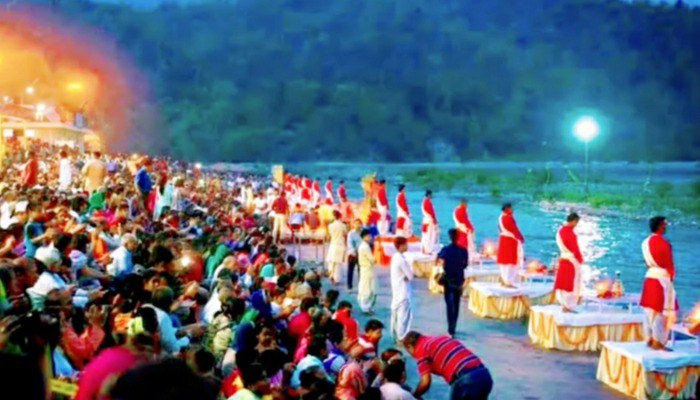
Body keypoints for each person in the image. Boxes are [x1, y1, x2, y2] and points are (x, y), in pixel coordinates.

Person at [402, 331, 492, 400]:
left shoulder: (421, 349)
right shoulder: (441, 338)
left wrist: (413, 396)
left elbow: (426, 382)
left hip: (466, 381)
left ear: (410, 346)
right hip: (484, 375)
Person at [640, 216, 677, 350]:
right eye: (664, 224)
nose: (666, 227)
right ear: (660, 226)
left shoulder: (644, 243)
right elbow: (669, 264)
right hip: (661, 279)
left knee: (649, 310)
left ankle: (649, 338)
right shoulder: (664, 244)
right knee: (661, 311)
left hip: (649, 277)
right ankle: (659, 342)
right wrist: (671, 278)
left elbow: (646, 263)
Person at [437, 229, 468, 337]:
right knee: (456, 303)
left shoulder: (445, 250)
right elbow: (465, 265)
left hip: (448, 280)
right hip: (459, 280)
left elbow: (439, 258)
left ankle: (450, 329)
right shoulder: (463, 250)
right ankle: (453, 327)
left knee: (449, 305)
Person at [553, 213, 584, 312]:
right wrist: (580, 259)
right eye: (577, 222)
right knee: (571, 282)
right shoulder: (570, 233)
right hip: (571, 260)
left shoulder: (560, 231)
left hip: (563, 258)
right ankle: (569, 305)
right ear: (574, 221)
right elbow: (575, 248)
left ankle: (564, 304)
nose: (576, 225)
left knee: (563, 282)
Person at [389, 236, 413, 342]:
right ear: (401, 245)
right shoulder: (401, 260)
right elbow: (410, 276)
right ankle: (401, 337)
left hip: (397, 290)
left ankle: (396, 336)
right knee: (402, 317)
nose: (407, 246)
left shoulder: (395, 257)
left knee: (396, 315)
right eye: (406, 244)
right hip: (403, 291)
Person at [497, 203, 524, 288]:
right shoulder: (508, 218)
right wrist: (521, 238)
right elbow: (514, 229)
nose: (513, 210)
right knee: (510, 261)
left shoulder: (500, 217)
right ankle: (508, 281)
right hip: (510, 241)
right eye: (511, 208)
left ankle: (504, 279)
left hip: (503, 239)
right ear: (507, 209)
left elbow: (499, 227)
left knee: (504, 260)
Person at [357, 229, 376, 314]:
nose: (370, 238)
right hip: (367, 269)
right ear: (364, 237)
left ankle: (367, 306)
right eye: (368, 236)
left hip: (366, 269)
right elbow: (372, 259)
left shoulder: (363, 246)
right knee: (367, 288)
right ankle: (365, 307)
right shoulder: (365, 247)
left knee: (367, 287)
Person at [326, 211, 347, 285]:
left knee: (331, 262)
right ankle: (336, 278)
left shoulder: (330, 226)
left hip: (333, 244)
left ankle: (331, 274)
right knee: (338, 264)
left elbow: (329, 236)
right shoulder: (343, 225)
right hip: (340, 245)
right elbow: (345, 235)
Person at [345, 219, 363, 291]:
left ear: (361, 224)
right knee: (350, 270)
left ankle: (361, 286)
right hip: (352, 254)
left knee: (360, 270)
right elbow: (349, 244)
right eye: (356, 224)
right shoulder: (351, 233)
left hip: (361, 254)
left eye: (359, 223)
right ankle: (349, 286)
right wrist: (354, 252)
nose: (357, 225)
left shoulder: (363, 232)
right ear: (353, 225)